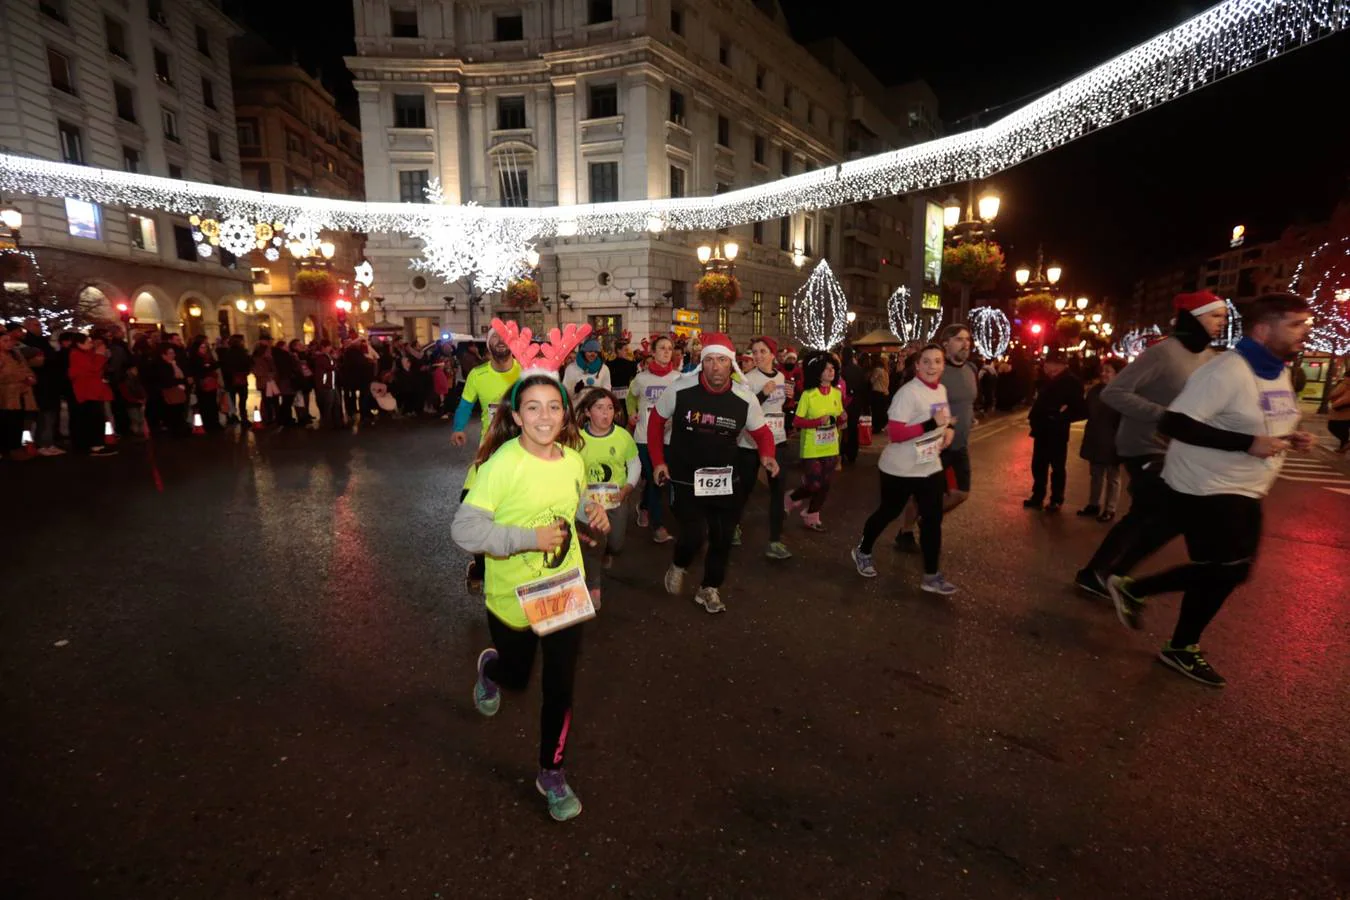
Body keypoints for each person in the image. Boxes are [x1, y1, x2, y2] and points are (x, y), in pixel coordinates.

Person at [1106, 293, 1315, 687]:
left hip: (1246, 484)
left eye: (1306, 323)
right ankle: (1140, 594)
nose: (1305, 332)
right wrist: (1246, 444)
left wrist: (1291, 436)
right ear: (1263, 328)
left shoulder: (1277, 369)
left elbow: (1260, 419)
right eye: (1295, 323)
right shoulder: (1226, 370)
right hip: (1208, 485)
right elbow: (1176, 424)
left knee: (1223, 571)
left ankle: (1178, 642)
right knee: (1230, 568)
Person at [450, 320, 609, 822]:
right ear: (516, 416)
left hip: (562, 587)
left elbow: (575, 498)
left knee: (560, 686)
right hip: (511, 595)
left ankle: (551, 771)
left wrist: (591, 514)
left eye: (554, 406)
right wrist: (526, 539)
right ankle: (491, 669)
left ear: (566, 413)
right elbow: (465, 532)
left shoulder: (572, 458)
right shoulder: (500, 465)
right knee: (518, 677)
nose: (544, 417)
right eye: (533, 407)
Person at [1074, 292, 1227, 597]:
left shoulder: (1211, 357)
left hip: (1181, 449)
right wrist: (1164, 416)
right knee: (1155, 509)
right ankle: (1103, 575)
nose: (1222, 323)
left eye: (1224, 317)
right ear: (1194, 318)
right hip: (1144, 445)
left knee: (1154, 514)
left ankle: (1103, 574)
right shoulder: (1162, 354)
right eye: (1215, 316)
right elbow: (1114, 393)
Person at [648, 333, 779, 614]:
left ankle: (709, 588)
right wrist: (659, 461)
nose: (715, 366)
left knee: (723, 536)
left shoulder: (744, 398)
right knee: (694, 533)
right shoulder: (680, 389)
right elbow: (656, 421)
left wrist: (768, 455)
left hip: (724, 478)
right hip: (684, 476)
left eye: (722, 360)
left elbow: (763, 433)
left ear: (731, 363)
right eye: (709, 360)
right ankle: (679, 564)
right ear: (701, 363)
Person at [850, 344, 958, 594]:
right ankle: (862, 551)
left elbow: (944, 418)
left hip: (930, 465)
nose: (932, 366)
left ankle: (931, 575)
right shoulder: (908, 393)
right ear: (917, 366)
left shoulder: (941, 389)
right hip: (899, 468)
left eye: (937, 361)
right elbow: (896, 434)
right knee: (888, 513)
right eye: (926, 362)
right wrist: (933, 424)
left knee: (932, 520)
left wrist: (948, 430)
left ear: (943, 365)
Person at [451, 329, 524, 592]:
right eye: (495, 337)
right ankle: (480, 567)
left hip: (523, 454)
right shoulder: (478, 374)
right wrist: (458, 428)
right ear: (488, 345)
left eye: (505, 336)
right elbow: (465, 404)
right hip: (489, 454)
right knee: (470, 507)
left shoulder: (527, 371)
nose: (500, 341)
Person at [576, 388, 640, 607]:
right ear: (587, 412)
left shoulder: (622, 436)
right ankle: (593, 586)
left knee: (616, 543)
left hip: (617, 501)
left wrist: (627, 489)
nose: (606, 414)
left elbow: (634, 464)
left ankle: (608, 551)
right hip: (589, 506)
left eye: (610, 408)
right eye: (599, 408)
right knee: (593, 545)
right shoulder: (576, 439)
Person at [736, 336, 792, 560]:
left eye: (762, 351)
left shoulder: (780, 376)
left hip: (777, 439)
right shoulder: (747, 379)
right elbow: (742, 411)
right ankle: (733, 526)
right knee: (745, 488)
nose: (757, 355)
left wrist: (789, 398)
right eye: (755, 351)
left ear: (772, 354)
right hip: (750, 442)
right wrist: (762, 394)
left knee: (778, 491)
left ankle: (775, 541)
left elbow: (778, 408)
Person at [626, 335, 680, 544]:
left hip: (668, 438)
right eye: (662, 348)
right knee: (656, 479)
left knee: (657, 480)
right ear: (654, 353)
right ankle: (658, 526)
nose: (667, 352)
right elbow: (631, 397)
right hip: (644, 436)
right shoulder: (641, 379)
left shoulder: (678, 378)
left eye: (670, 348)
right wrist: (631, 413)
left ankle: (645, 506)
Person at [784, 352, 845, 532]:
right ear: (817, 372)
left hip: (831, 446)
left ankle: (812, 515)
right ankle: (792, 498)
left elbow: (839, 418)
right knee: (813, 484)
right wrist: (817, 422)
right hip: (812, 447)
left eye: (833, 368)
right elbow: (797, 422)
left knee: (825, 485)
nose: (831, 371)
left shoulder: (836, 393)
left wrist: (842, 418)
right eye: (826, 368)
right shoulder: (808, 395)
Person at [1024, 349, 1087, 512]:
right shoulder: (1046, 379)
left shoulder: (1071, 382)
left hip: (1057, 431)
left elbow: (1080, 409)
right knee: (1038, 465)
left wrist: (1061, 416)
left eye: (1053, 366)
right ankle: (1037, 496)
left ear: (1062, 366)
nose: (1049, 369)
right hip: (1041, 429)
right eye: (1048, 365)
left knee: (1057, 467)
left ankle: (1056, 499)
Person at [1077, 358, 1126, 521]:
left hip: (1114, 440)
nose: (1104, 374)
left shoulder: (1123, 393)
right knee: (1096, 474)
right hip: (1096, 437)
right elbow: (1084, 411)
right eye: (1103, 370)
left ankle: (1110, 509)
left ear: (1117, 374)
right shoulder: (1095, 391)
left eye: (1108, 371)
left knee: (1113, 476)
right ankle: (1093, 504)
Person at [67, 333, 117, 456]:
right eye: (88, 342)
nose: (91, 344)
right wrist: (100, 355)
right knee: (93, 419)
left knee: (95, 418)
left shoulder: (84, 354)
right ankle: (94, 445)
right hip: (87, 392)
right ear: (79, 344)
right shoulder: (76, 355)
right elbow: (92, 369)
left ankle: (94, 444)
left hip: (92, 391)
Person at [0, 328, 39, 461]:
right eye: (5, 341)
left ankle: (15, 447)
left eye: (10, 340)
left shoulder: (16, 354)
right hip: (6, 394)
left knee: (18, 421)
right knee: (7, 422)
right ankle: (9, 449)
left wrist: (30, 377)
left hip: (21, 393)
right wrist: (21, 377)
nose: (9, 343)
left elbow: (26, 368)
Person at [838, 347, 866, 466]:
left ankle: (842, 451)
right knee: (853, 428)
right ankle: (852, 453)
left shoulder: (842, 370)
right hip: (856, 402)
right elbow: (864, 386)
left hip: (845, 402)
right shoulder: (859, 370)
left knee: (844, 428)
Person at [1327, 365, 1350, 453]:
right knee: (1344, 428)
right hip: (1346, 410)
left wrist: (1330, 396)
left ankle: (1345, 444)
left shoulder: (1345, 383)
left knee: (1333, 426)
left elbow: (1334, 394)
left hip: (1342, 410)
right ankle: (1343, 447)